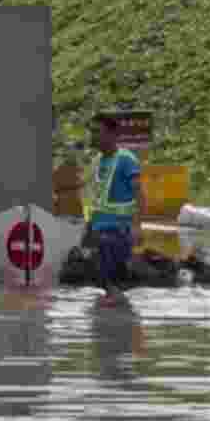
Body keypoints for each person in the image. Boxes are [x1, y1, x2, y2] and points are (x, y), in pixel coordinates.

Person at [83, 114, 145, 306]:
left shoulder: (126, 160)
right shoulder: (96, 161)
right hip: (99, 225)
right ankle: (113, 295)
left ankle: (116, 298)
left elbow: (140, 195)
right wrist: (89, 225)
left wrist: (137, 226)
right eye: (92, 132)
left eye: (97, 132)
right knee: (99, 270)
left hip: (118, 228)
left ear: (113, 134)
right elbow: (96, 196)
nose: (93, 136)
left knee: (112, 269)